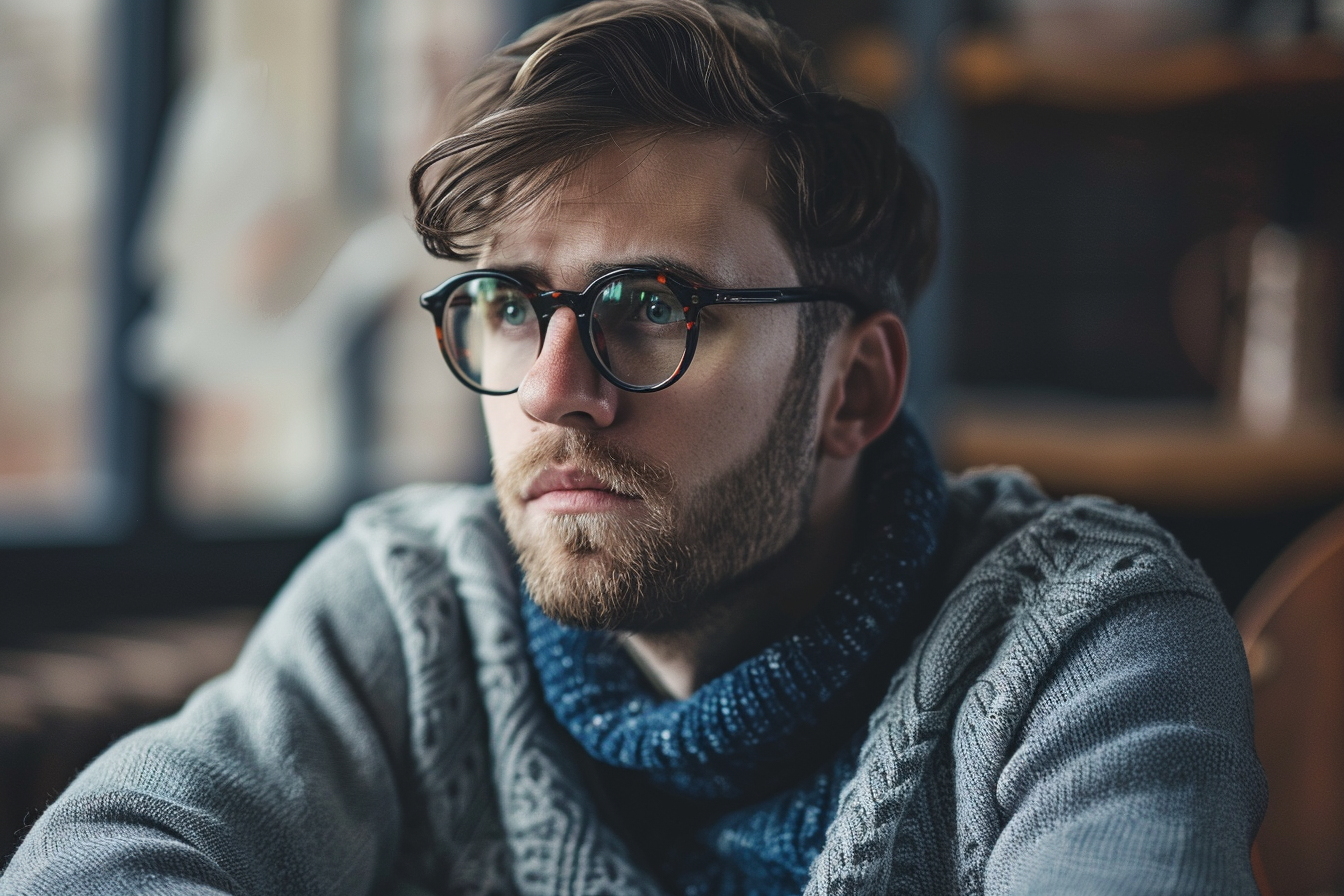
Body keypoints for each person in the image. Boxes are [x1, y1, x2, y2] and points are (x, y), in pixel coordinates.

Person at [1, 1, 1266, 894]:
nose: (554, 391)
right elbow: (103, 861)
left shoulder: (1082, 639)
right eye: (508, 305)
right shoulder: (416, 600)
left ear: (854, 384)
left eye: (652, 306)